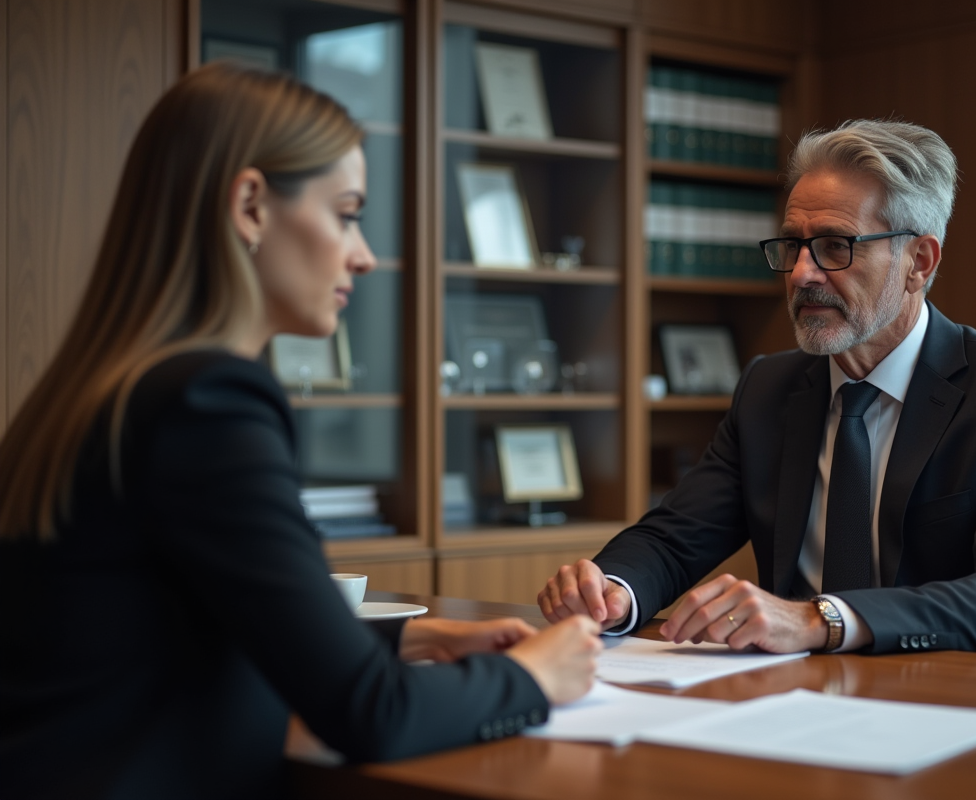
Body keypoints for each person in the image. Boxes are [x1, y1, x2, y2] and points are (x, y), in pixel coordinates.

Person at [0, 62, 600, 800]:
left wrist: (415, 636)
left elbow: (181, 619)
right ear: (251, 205)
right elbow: (370, 714)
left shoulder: (99, 390)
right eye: (346, 213)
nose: (365, 254)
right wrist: (529, 677)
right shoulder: (208, 403)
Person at [538, 119, 976, 661]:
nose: (801, 274)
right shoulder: (768, 389)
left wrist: (821, 619)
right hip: (806, 693)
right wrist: (612, 591)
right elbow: (676, 536)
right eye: (793, 246)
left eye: (833, 247)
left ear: (919, 262)